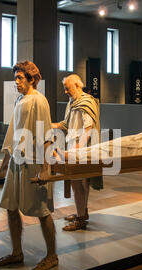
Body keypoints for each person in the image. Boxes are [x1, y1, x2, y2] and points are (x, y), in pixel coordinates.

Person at [0, 61, 58, 270]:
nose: (17, 83)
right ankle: (17, 253)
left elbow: (46, 135)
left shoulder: (40, 101)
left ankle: (52, 256)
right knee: (11, 207)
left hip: (33, 162)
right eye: (16, 79)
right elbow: (13, 128)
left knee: (42, 210)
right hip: (16, 161)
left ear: (32, 79)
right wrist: (6, 156)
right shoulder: (20, 100)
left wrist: (45, 168)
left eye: (20, 78)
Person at [52, 74, 102, 231]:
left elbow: (89, 128)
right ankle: (82, 213)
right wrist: (52, 124)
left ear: (78, 86)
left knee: (77, 182)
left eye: (68, 88)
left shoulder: (86, 102)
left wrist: (78, 148)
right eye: (64, 88)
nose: (65, 91)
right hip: (75, 148)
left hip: (82, 150)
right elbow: (67, 124)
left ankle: (80, 219)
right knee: (81, 183)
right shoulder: (72, 103)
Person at [62, 120, 142, 162]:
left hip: (135, 148)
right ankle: (70, 154)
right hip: (131, 142)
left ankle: (69, 155)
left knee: (105, 151)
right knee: (103, 147)